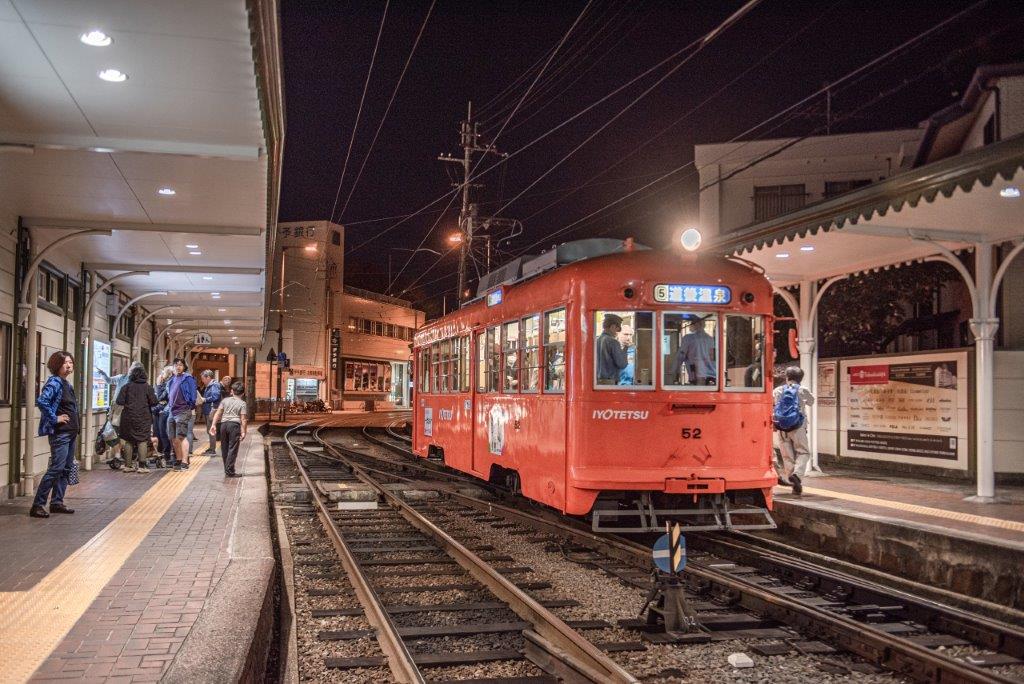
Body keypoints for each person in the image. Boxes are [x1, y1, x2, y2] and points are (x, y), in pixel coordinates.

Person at [30, 351, 79, 518]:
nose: (69, 365)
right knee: (56, 468)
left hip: (70, 433)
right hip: (61, 434)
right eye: (65, 362)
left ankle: (57, 502)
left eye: (70, 362)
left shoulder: (66, 384)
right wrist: (54, 418)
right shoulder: (55, 382)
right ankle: (38, 505)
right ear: (56, 365)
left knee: (66, 468)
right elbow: (42, 401)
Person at [772, 366, 815, 495]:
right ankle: (797, 475)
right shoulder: (802, 390)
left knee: (787, 456)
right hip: (798, 426)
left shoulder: (778, 390)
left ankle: (794, 484)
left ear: (787, 377)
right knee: (803, 452)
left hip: (782, 427)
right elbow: (811, 402)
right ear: (801, 378)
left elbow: (773, 404)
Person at [115, 365, 158, 473]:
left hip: (128, 417)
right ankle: (142, 466)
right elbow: (154, 402)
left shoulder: (126, 387)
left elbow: (119, 401)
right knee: (142, 440)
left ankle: (128, 466)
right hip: (143, 417)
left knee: (129, 440)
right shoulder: (148, 387)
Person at [210, 382, 248, 477]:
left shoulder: (225, 401)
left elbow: (218, 413)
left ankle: (227, 469)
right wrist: (243, 432)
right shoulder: (242, 403)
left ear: (232, 391)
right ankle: (230, 471)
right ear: (243, 393)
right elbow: (243, 419)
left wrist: (213, 425)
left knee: (224, 447)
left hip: (223, 425)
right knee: (233, 448)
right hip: (234, 425)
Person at [167, 357, 198, 471]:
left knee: (181, 436)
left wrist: (189, 405)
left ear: (184, 366)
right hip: (172, 411)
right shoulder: (172, 379)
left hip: (183, 410)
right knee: (173, 438)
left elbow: (193, 394)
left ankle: (185, 461)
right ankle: (179, 460)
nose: (178, 367)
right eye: (176, 365)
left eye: (180, 365)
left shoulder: (188, 378)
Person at [671, 317, 716, 385]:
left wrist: (674, 372)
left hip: (697, 377)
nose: (690, 326)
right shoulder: (710, 339)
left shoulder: (688, 338)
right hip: (712, 376)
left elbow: (680, 357)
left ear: (697, 324)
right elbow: (713, 358)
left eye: (691, 323)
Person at [596, 313, 628, 384]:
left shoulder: (597, 340)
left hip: (597, 381)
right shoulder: (613, 341)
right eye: (617, 330)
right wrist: (625, 349)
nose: (616, 333)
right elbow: (622, 364)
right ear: (613, 327)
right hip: (609, 382)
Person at [153, 365, 175, 468]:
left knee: (163, 434)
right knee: (158, 433)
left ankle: (167, 456)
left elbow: (159, 397)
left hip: (165, 411)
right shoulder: (166, 383)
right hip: (160, 410)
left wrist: (158, 384)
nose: (161, 374)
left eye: (162, 372)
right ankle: (161, 454)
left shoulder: (168, 383)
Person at [200, 370, 223, 456]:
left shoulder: (214, 385)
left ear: (208, 377)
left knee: (211, 430)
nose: (202, 380)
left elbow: (215, 396)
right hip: (209, 410)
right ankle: (211, 448)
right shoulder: (210, 386)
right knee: (209, 430)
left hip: (211, 410)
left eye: (203, 378)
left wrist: (205, 399)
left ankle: (212, 450)